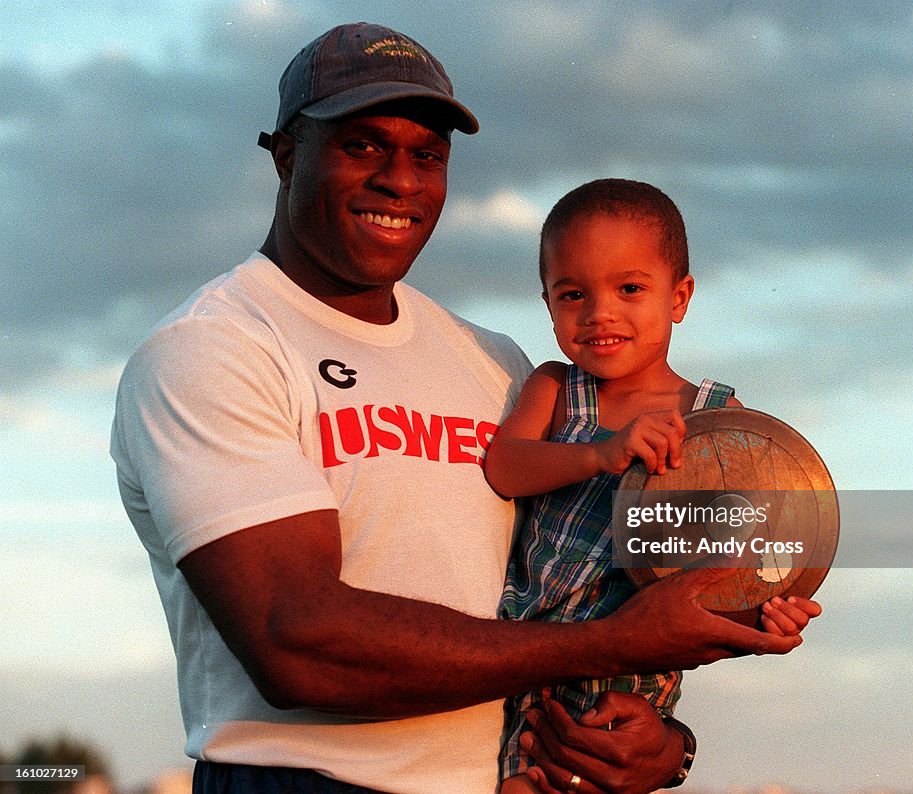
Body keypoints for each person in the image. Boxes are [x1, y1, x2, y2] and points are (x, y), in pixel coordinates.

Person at [110, 23, 809, 794]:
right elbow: (295, 641)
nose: (400, 180)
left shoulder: (495, 362)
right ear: (285, 155)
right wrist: (613, 646)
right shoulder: (213, 349)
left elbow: (611, 576)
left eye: (427, 155)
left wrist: (665, 746)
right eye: (363, 145)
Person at [484, 180, 822, 793]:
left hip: (634, 671)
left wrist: (769, 606)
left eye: (630, 289)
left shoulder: (719, 423)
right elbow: (504, 467)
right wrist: (599, 454)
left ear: (680, 297)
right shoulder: (557, 389)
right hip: (525, 643)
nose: (599, 314)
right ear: (547, 302)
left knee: (582, 775)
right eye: (572, 294)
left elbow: (749, 548)